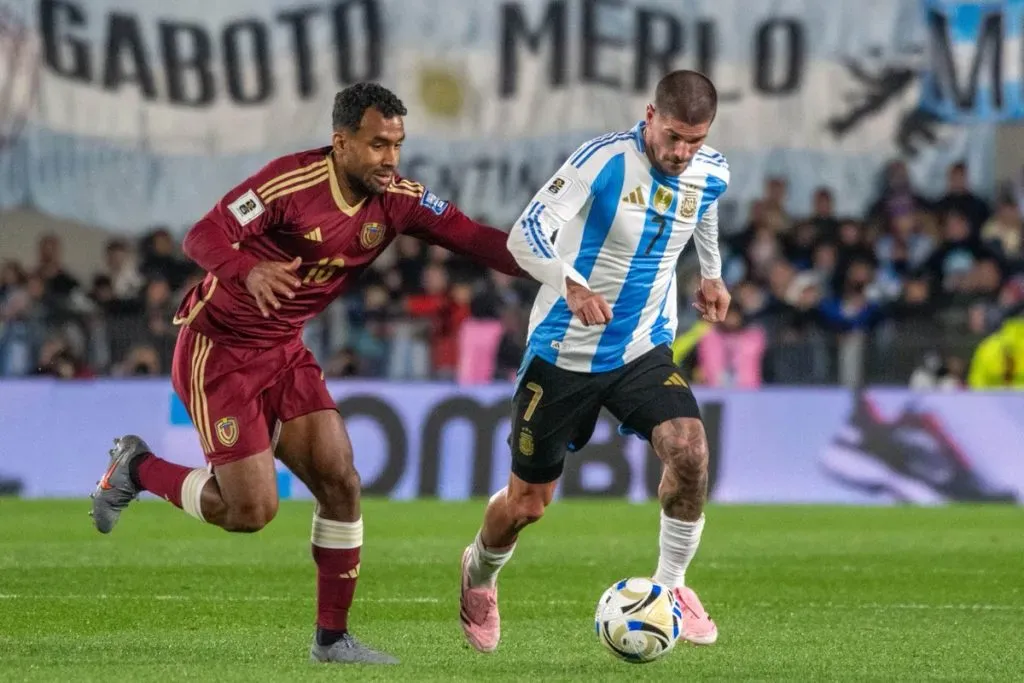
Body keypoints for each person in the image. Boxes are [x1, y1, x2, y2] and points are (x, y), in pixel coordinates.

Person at [89, 83, 522, 665]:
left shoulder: (398, 199)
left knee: (340, 481)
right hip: (219, 350)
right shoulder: (289, 185)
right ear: (341, 143)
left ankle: (331, 639)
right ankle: (137, 468)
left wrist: (561, 272)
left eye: (397, 144)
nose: (391, 159)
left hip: (285, 350)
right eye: (377, 145)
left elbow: (475, 238)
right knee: (250, 512)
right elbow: (203, 235)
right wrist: (248, 270)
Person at [458, 70, 731, 653]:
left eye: (696, 141)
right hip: (564, 351)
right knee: (527, 505)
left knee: (689, 450)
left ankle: (671, 586)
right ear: (650, 116)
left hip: (641, 347)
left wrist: (711, 273)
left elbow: (703, 207)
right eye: (674, 137)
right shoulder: (602, 160)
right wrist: (572, 284)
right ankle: (478, 573)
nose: (682, 153)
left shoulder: (711, 170)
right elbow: (525, 234)